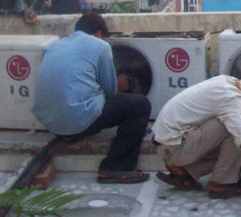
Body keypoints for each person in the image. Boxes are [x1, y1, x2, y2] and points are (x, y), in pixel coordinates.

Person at [32, 11, 151, 183]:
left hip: (50, 121)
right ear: (100, 34)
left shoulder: (55, 45)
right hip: (75, 116)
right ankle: (116, 167)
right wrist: (121, 83)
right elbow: (110, 90)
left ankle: (71, 134)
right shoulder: (100, 45)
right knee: (140, 106)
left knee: (90, 103)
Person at [152, 72, 241, 199]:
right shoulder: (231, 97)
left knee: (239, 150)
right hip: (173, 147)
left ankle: (186, 170)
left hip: (172, 144)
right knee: (238, 135)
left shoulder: (234, 87)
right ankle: (220, 184)